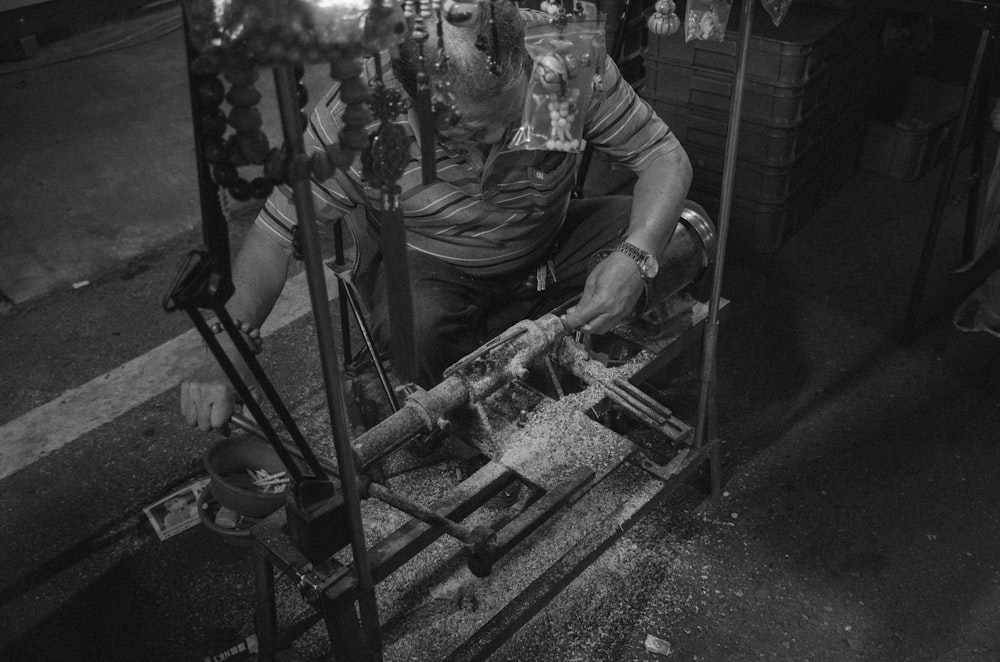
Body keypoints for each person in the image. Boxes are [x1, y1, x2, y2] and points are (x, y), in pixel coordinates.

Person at [180, 2, 692, 434]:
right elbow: (275, 234)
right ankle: (479, 391)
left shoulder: (565, 62)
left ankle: (518, 331)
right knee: (416, 336)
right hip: (436, 269)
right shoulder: (364, 115)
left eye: (511, 118)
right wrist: (227, 351)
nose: (496, 143)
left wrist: (635, 254)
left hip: (550, 245)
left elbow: (663, 158)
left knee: (683, 234)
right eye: (470, 129)